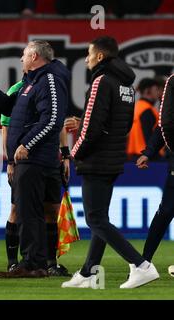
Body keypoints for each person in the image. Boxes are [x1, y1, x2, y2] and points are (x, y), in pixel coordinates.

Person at [62, 36, 159, 289]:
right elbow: (121, 125)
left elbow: (93, 128)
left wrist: (74, 153)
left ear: (100, 57)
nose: (86, 58)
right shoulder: (125, 86)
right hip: (114, 158)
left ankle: (141, 265)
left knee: (95, 219)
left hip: (97, 159)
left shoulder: (100, 81)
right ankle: (88, 273)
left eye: (89, 53)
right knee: (100, 217)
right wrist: (85, 124)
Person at [0, 40, 70, 278]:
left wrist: (27, 143)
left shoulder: (49, 80)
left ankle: (32, 264)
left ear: (34, 56)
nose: (21, 59)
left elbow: (53, 119)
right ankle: (37, 264)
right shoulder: (30, 82)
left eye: (24, 55)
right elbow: (10, 107)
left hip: (36, 159)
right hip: (30, 159)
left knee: (30, 212)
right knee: (31, 212)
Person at [1, 105, 71, 277]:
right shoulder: (18, 92)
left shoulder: (50, 91)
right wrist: (10, 161)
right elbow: (7, 129)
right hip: (25, 162)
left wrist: (65, 155)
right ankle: (12, 262)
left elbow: (58, 125)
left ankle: (50, 263)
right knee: (17, 210)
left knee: (52, 211)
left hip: (50, 161)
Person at [137, 74, 174, 270]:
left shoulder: (173, 81)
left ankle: (144, 263)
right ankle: (144, 262)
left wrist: (149, 152)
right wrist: (149, 152)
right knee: (165, 211)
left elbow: (165, 125)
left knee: (165, 212)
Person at [127, 78, 162, 160]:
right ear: (147, 90)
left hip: (134, 156)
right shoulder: (147, 110)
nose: (158, 93)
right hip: (147, 157)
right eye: (156, 89)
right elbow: (149, 135)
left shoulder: (136, 107)